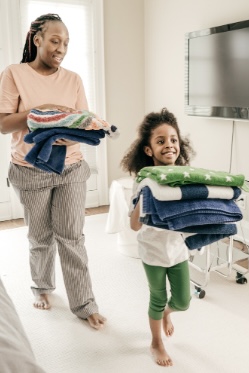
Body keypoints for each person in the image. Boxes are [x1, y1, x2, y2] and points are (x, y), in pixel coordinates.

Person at [0, 14, 106, 330]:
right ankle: (42, 287)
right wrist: (38, 113)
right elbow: (3, 123)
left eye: (66, 43)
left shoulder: (73, 79)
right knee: (41, 236)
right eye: (55, 41)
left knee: (72, 237)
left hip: (71, 166)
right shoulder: (14, 73)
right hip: (30, 169)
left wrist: (67, 132)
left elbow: (82, 120)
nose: (61, 48)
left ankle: (85, 304)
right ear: (37, 39)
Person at [121, 108, 195, 367]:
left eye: (173, 140)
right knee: (157, 297)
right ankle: (155, 342)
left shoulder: (185, 178)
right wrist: (146, 194)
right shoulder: (142, 181)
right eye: (160, 141)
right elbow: (133, 225)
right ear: (149, 150)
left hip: (177, 250)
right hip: (152, 251)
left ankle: (167, 314)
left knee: (183, 301)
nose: (169, 145)